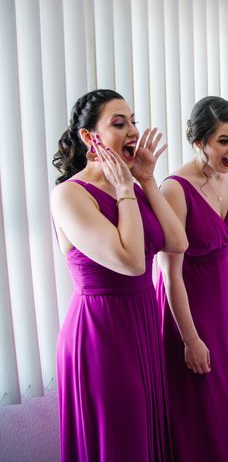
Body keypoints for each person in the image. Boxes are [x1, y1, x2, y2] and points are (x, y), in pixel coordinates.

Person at [51, 89, 188, 461]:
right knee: (120, 437)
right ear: (88, 137)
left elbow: (177, 242)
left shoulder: (133, 187)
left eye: (133, 122)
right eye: (118, 123)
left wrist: (145, 179)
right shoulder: (70, 195)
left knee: (145, 429)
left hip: (142, 322)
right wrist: (126, 188)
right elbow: (131, 262)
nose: (132, 131)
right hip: (100, 333)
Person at [156, 96, 228, 461]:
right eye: (224, 140)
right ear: (199, 141)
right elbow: (169, 273)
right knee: (202, 396)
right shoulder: (174, 189)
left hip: (223, 301)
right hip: (188, 302)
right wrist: (190, 339)